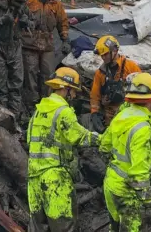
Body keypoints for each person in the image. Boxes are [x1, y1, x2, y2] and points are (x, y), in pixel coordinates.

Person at [27, 67, 102, 232]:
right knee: (63, 227)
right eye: (73, 91)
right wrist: (105, 139)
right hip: (55, 179)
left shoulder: (38, 112)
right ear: (65, 89)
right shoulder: (63, 111)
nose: (74, 96)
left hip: (33, 179)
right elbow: (80, 137)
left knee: (38, 227)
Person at [100, 72, 151, 232]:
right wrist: (149, 204)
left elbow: (104, 146)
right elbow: (139, 176)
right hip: (127, 194)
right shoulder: (143, 129)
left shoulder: (122, 116)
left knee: (115, 227)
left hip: (111, 186)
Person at [22, 0, 70, 112]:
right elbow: (17, 15)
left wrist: (65, 40)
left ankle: (47, 103)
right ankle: (31, 107)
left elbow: (63, 23)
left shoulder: (56, 3)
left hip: (47, 45)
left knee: (48, 74)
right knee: (30, 74)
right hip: (29, 43)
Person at [90, 35, 141, 133]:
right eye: (102, 55)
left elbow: (142, 88)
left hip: (129, 115)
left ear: (114, 50)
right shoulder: (100, 73)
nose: (103, 58)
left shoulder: (131, 67)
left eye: (105, 54)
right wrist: (94, 113)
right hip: (110, 117)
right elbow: (95, 95)